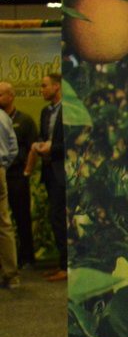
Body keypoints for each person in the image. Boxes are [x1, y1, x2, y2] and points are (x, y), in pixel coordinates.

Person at [31, 74, 66, 281]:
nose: (41, 90)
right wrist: (39, 144)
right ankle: (62, 263)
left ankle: (66, 266)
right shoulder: (45, 112)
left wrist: (52, 148)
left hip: (63, 171)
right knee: (55, 218)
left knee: (60, 218)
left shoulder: (68, 111)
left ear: (57, 86)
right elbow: (43, 136)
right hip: (49, 172)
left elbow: (72, 143)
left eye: (44, 86)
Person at [0, 82, 37, 269]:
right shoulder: (2, 117)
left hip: (16, 175)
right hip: (3, 172)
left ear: (11, 96)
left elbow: (32, 147)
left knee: (22, 216)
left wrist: (26, 171)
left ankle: (27, 257)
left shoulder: (25, 120)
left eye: (0, 94)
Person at [0, 103, 18, 288]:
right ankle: (11, 275)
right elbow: (13, 149)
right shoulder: (4, 117)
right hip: (0, 171)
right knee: (4, 224)